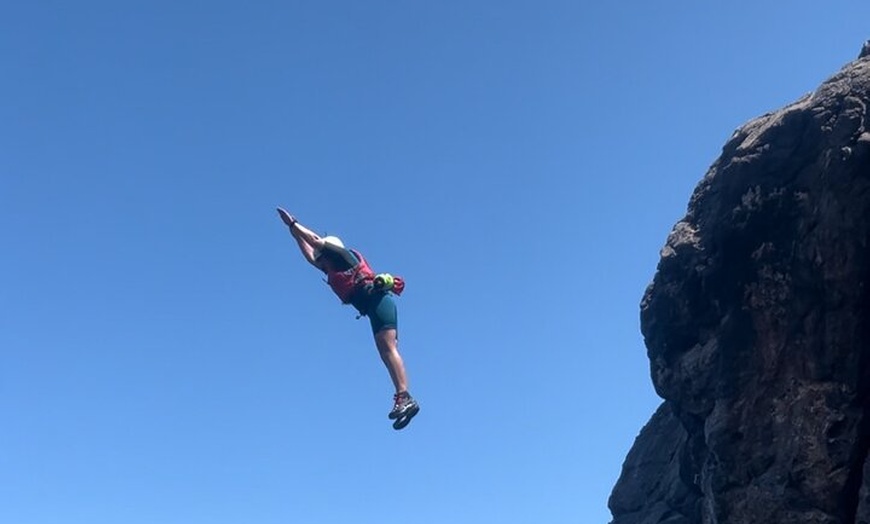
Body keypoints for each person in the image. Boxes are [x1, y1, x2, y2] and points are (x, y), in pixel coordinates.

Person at [276, 207, 420, 429]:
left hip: (378, 301)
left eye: (321, 258)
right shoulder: (330, 267)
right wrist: (293, 234)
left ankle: (405, 397)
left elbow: (313, 241)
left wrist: (293, 224)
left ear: (328, 252)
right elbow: (309, 256)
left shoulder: (341, 256)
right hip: (373, 307)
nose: (319, 263)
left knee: (388, 348)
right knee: (385, 351)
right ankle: (403, 397)